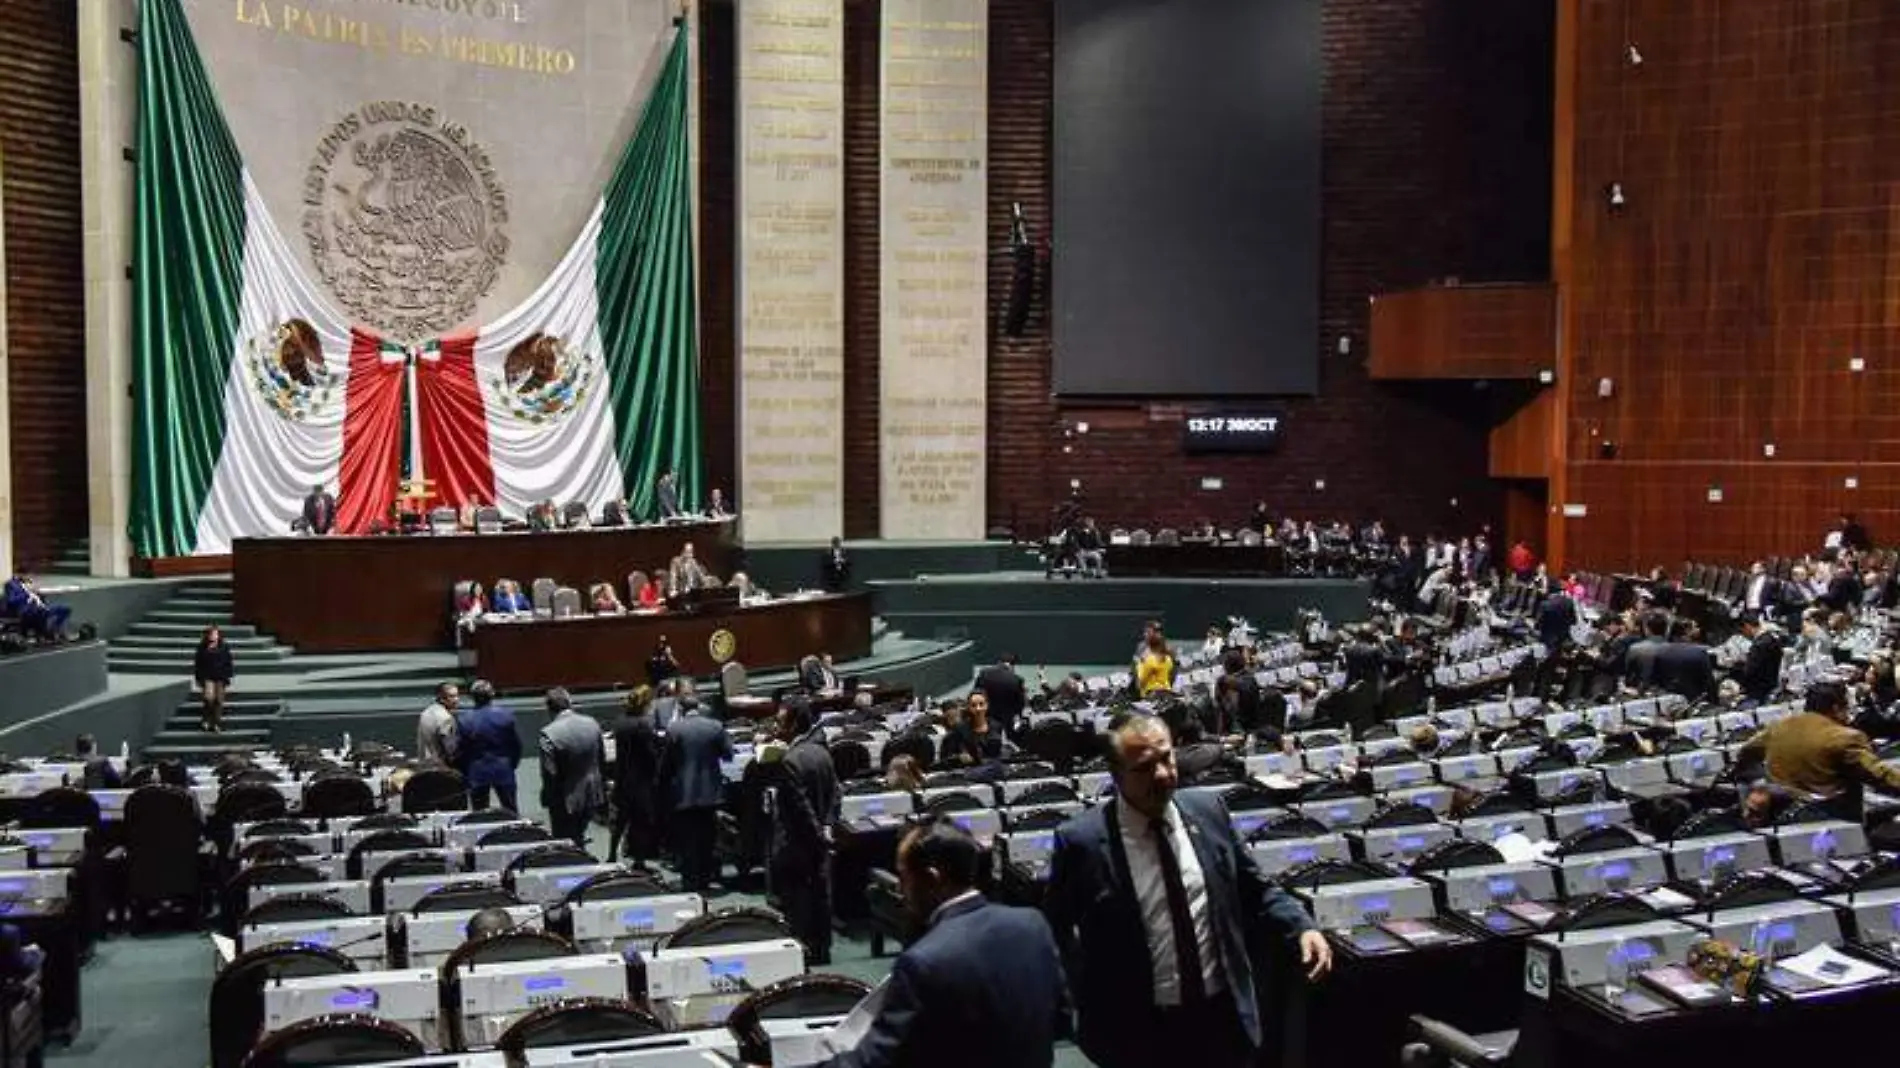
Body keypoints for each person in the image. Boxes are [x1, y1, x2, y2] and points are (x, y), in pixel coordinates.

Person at [1044, 713, 1331, 1068]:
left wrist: (1301, 925)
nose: (1163, 775)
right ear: (1116, 775)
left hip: (1221, 1019)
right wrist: (1081, 999)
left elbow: (1254, 887)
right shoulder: (1081, 841)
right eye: (1145, 767)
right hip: (1137, 1033)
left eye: (1166, 757)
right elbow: (1056, 930)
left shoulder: (1209, 810)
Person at [809, 818, 1068, 1068]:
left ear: (932, 879)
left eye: (904, 877)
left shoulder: (924, 962)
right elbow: (1060, 1020)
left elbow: (878, 1060)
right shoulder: (1033, 925)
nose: (901, 890)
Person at [1738, 679, 1900, 819]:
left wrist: (1761, 783)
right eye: (1847, 707)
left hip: (1779, 817)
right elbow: (1879, 774)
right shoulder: (1845, 737)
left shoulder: (1779, 727)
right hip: (1830, 819)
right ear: (1837, 708)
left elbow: (1746, 753)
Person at [768, 697, 840, 965]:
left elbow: (800, 808)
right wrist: (828, 827)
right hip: (819, 843)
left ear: (795, 723)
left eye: (780, 721)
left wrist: (818, 835)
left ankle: (803, 958)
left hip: (796, 846)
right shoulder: (823, 752)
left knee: (798, 905)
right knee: (820, 898)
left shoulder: (790, 760)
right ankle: (822, 951)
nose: (776, 727)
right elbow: (836, 795)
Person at [659, 693, 733, 892]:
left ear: (681, 709)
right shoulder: (715, 726)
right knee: (708, 838)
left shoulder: (674, 729)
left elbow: (666, 765)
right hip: (711, 793)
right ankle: (706, 878)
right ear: (698, 707)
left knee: (688, 840)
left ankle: (690, 882)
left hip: (684, 793)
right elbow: (728, 755)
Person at [538, 688, 606, 848]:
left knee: (564, 843)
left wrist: (548, 796)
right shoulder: (592, 723)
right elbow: (601, 758)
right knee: (580, 833)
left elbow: (549, 772)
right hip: (591, 791)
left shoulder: (548, 733)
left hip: (564, 797)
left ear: (549, 708)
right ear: (570, 703)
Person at [610, 686, 662, 868]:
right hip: (641, 781)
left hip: (623, 777)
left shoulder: (620, 722)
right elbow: (650, 754)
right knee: (641, 821)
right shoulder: (643, 725)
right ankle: (639, 859)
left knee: (621, 820)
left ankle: (611, 855)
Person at [456, 679, 522, 812]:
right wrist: (511, 763)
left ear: (472, 697)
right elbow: (516, 745)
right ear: (492, 694)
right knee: (510, 810)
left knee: (479, 814)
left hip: (477, 771)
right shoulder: (506, 716)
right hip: (503, 768)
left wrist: (466, 770)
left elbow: (462, 750)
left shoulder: (465, 720)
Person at [973, 654, 1028, 740]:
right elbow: (1020, 702)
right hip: (1007, 716)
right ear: (1012, 665)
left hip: (987, 714)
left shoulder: (984, 673)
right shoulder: (1017, 679)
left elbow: (976, 693)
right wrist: (1018, 714)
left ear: (999, 662)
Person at [939, 694, 1001, 767]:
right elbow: (945, 760)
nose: (978, 709)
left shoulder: (995, 726)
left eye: (981, 704)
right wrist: (958, 758)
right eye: (974, 706)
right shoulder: (956, 733)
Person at [193, 625, 235, 733]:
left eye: (215, 634)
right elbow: (198, 664)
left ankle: (216, 723)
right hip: (207, 677)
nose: (214, 636)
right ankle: (206, 719)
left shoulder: (224, 647)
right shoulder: (202, 647)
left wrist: (228, 676)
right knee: (209, 698)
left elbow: (228, 662)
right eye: (212, 634)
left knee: (219, 700)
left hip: (221, 677)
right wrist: (198, 678)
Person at [3, 575, 69, 643]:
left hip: (40, 608)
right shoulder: (15, 588)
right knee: (40, 613)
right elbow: (11, 600)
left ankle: (54, 629)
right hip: (26, 612)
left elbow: (40, 599)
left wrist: (38, 598)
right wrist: (27, 596)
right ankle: (46, 634)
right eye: (29, 584)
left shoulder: (31, 589)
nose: (31, 585)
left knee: (65, 609)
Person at [1736, 612, 1783, 705]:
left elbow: (1750, 671)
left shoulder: (1759, 645)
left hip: (1759, 691)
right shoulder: (1773, 639)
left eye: (1742, 631)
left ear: (1747, 626)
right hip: (1773, 686)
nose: (1744, 634)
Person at [417, 682, 460, 767]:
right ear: (441, 698)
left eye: (457, 696)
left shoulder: (426, 712)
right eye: (452, 696)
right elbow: (450, 749)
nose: (457, 699)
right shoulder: (445, 718)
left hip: (424, 765)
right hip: (440, 768)